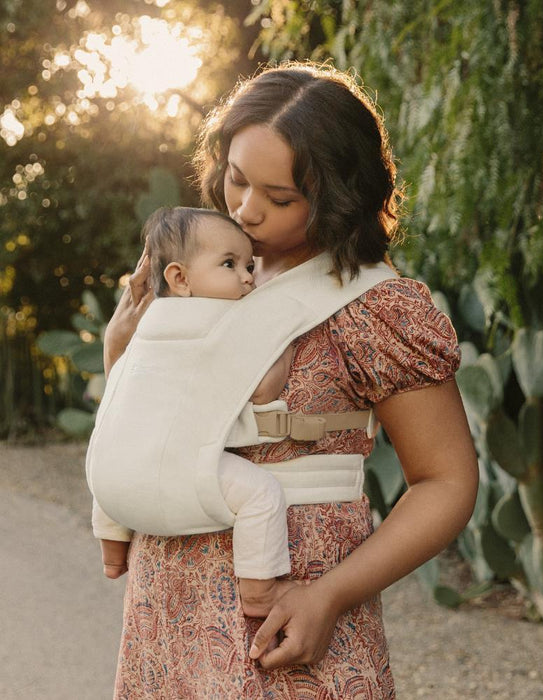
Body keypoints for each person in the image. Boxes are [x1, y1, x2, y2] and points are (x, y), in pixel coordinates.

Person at [103, 61, 479, 698]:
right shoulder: (192, 272)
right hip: (166, 611)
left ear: (338, 195)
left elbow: (447, 481)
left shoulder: (373, 308)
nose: (246, 212)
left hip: (292, 617)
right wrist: (120, 352)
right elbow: (149, 425)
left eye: (280, 199)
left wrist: (330, 596)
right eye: (237, 179)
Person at [92, 205, 296, 617]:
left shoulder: (145, 322)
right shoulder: (225, 322)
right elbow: (262, 393)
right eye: (229, 264)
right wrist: (283, 343)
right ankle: (258, 593)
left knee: (119, 451)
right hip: (180, 473)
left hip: (107, 479)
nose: (246, 277)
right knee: (262, 495)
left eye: (249, 266)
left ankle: (113, 555)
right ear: (180, 278)